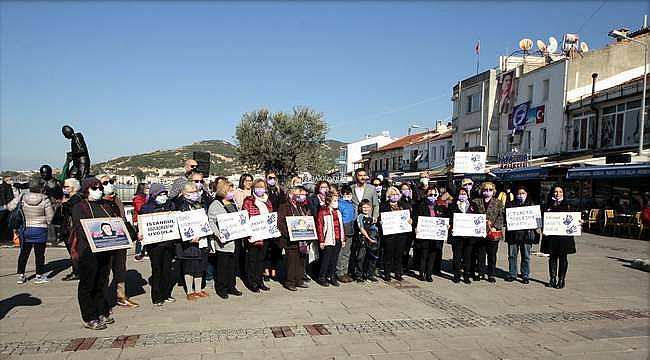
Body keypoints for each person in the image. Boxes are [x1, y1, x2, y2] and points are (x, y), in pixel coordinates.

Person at [70, 178, 117, 330]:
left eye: (99, 187)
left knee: (101, 281)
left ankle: (101, 310)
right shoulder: (79, 207)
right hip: (88, 251)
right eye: (94, 187)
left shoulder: (105, 205)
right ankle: (89, 316)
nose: (98, 190)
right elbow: (81, 229)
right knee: (87, 283)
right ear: (87, 190)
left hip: (105, 249)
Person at [98, 174, 138, 308]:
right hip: (105, 242)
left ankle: (121, 296)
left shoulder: (117, 199)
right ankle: (102, 300)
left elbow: (123, 218)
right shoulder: (97, 203)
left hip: (119, 240)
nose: (108, 184)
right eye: (104, 183)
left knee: (120, 269)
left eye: (110, 181)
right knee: (104, 272)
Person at [10, 180, 54, 285]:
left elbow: (10, 206)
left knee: (24, 254)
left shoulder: (22, 197)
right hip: (40, 229)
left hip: (25, 229)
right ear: (40, 188)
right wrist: (47, 222)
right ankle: (39, 275)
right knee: (39, 254)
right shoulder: (45, 199)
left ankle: (21, 275)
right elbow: (50, 216)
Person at [139, 183, 177, 306]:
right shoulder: (146, 208)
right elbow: (143, 224)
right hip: (154, 246)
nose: (163, 196)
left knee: (167, 270)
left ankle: (166, 294)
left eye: (165, 194)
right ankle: (157, 297)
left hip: (168, 243)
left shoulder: (170, 205)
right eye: (160, 194)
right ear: (154, 195)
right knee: (157, 270)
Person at [173, 181, 210, 300]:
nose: (194, 194)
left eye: (196, 191)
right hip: (188, 243)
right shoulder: (181, 206)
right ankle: (189, 291)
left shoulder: (201, 205)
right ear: (184, 193)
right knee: (189, 267)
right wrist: (189, 238)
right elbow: (180, 225)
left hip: (202, 241)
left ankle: (198, 289)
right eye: (191, 192)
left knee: (200, 267)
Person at [207, 180, 243, 299]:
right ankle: (221, 288)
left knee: (233, 265)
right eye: (230, 190)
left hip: (235, 240)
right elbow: (211, 221)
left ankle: (231, 286)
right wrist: (217, 234)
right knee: (223, 266)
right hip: (224, 242)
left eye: (232, 190)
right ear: (223, 191)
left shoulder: (233, 203)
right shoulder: (216, 204)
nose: (232, 193)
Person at [541, 185, 577, 289]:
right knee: (552, 258)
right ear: (552, 193)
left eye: (560, 191)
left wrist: (579, 222)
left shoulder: (569, 205)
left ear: (563, 193)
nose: (558, 194)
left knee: (563, 258)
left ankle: (561, 280)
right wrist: (543, 228)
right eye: (556, 191)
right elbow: (541, 218)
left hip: (564, 236)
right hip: (551, 236)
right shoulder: (547, 205)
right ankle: (552, 279)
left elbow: (575, 218)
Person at [277, 184, 312, 291]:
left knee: (301, 260)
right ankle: (290, 281)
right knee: (292, 261)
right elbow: (281, 222)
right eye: (298, 194)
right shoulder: (284, 206)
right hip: (290, 240)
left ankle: (299, 280)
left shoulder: (301, 206)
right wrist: (289, 234)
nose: (300, 197)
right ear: (291, 195)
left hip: (301, 239)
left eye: (301, 195)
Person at [241, 179, 273, 292]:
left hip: (265, 235)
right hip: (254, 235)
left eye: (262, 187)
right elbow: (245, 216)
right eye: (258, 187)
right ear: (254, 188)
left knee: (261, 259)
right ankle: (252, 281)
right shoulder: (249, 201)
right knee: (252, 259)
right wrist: (248, 233)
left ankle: (260, 280)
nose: (260, 189)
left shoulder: (268, 201)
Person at [505, 186, 540, 284]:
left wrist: (538, 228)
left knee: (526, 256)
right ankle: (512, 274)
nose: (520, 195)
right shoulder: (511, 205)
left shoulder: (531, 205)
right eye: (519, 193)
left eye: (523, 193)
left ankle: (525, 275)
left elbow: (538, 220)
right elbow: (506, 217)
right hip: (513, 235)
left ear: (527, 194)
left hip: (527, 235)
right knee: (512, 255)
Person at [413, 186, 447, 282]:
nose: (433, 196)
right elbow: (416, 218)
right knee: (424, 255)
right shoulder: (421, 205)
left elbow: (444, 219)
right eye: (430, 195)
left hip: (435, 236)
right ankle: (421, 273)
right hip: (425, 234)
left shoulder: (440, 206)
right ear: (426, 195)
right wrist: (416, 227)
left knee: (432, 255)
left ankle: (429, 274)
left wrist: (446, 226)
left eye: (435, 195)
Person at [472, 181, 504, 283]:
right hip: (480, 232)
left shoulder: (498, 202)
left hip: (492, 232)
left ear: (494, 191)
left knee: (492, 254)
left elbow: (501, 216)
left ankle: (491, 274)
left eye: (490, 189)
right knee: (480, 254)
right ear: (482, 191)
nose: (488, 191)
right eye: (485, 189)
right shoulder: (476, 201)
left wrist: (495, 226)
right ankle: (480, 273)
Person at [379, 186, 412, 281]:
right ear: (388, 196)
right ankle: (387, 273)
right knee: (388, 254)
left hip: (401, 234)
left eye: (396, 194)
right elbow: (380, 218)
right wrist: (381, 222)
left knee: (399, 254)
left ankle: (398, 272)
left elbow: (408, 217)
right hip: (389, 234)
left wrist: (410, 221)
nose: (395, 196)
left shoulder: (403, 205)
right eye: (392, 194)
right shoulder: (384, 206)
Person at [315, 191, 345, 287]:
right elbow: (320, 227)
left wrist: (343, 238)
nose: (336, 202)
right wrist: (321, 241)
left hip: (338, 238)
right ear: (329, 201)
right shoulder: (323, 212)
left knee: (334, 259)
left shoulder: (338, 212)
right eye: (334, 200)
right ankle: (322, 277)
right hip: (328, 239)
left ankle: (332, 276)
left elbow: (341, 226)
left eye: (337, 200)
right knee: (326, 259)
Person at [449, 187, 477, 284]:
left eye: (464, 193)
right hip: (457, 236)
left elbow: (477, 218)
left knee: (467, 257)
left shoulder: (473, 205)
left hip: (469, 236)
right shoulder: (453, 205)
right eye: (461, 193)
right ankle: (456, 275)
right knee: (457, 256)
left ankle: (466, 275)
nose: (463, 195)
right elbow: (449, 218)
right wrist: (449, 226)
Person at [264, 171, 284, 282]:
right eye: (270, 178)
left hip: (278, 222)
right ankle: (266, 270)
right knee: (267, 248)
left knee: (277, 248)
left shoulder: (280, 191)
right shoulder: (264, 191)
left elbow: (283, 205)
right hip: (267, 223)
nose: (272, 180)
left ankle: (274, 270)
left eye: (274, 178)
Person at [61, 178, 82, 281]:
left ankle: (77, 271)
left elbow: (71, 210)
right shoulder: (71, 198)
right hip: (68, 227)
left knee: (73, 251)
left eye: (66, 187)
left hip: (71, 229)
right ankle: (77, 271)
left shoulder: (76, 198)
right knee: (73, 251)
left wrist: (64, 204)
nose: (64, 189)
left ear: (73, 188)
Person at [354, 199, 380, 282]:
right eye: (364, 207)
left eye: (367, 207)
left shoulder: (371, 218)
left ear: (370, 208)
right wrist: (368, 238)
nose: (366, 209)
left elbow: (374, 229)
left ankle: (369, 274)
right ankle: (359, 275)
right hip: (362, 241)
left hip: (370, 242)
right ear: (361, 208)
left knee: (371, 258)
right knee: (360, 258)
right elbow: (361, 228)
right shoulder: (360, 217)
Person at [336, 185, 355, 283]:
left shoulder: (351, 203)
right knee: (341, 252)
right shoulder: (339, 203)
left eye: (350, 193)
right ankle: (339, 272)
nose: (348, 195)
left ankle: (345, 271)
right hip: (343, 229)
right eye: (346, 194)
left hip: (351, 229)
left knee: (347, 253)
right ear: (342, 194)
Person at [398, 182, 416, 275]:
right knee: (401, 249)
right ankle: (399, 267)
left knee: (407, 249)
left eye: (407, 189)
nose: (406, 191)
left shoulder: (412, 201)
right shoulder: (399, 202)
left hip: (410, 228)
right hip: (402, 229)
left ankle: (405, 266)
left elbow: (415, 214)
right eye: (403, 189)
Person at [132, 183, 148, 262]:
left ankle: (143, 252)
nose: (147, 190)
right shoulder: (138, 198)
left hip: (144, 219)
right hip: (139, 220)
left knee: (145, 236)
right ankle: (137, 253)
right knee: (139, 237)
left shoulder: (145, 197)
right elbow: (140, 209)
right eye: (146, 188)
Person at [0, 175, 15, 244]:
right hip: (5, 206)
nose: (11, 180)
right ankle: (5, 239)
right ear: (6, 180)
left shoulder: (8, 186)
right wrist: (5, 204)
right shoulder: (3, 186)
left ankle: (7, 238)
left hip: (9, 205)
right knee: (5, 221)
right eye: (10, 179)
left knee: (7, 222)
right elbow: (2, 195)